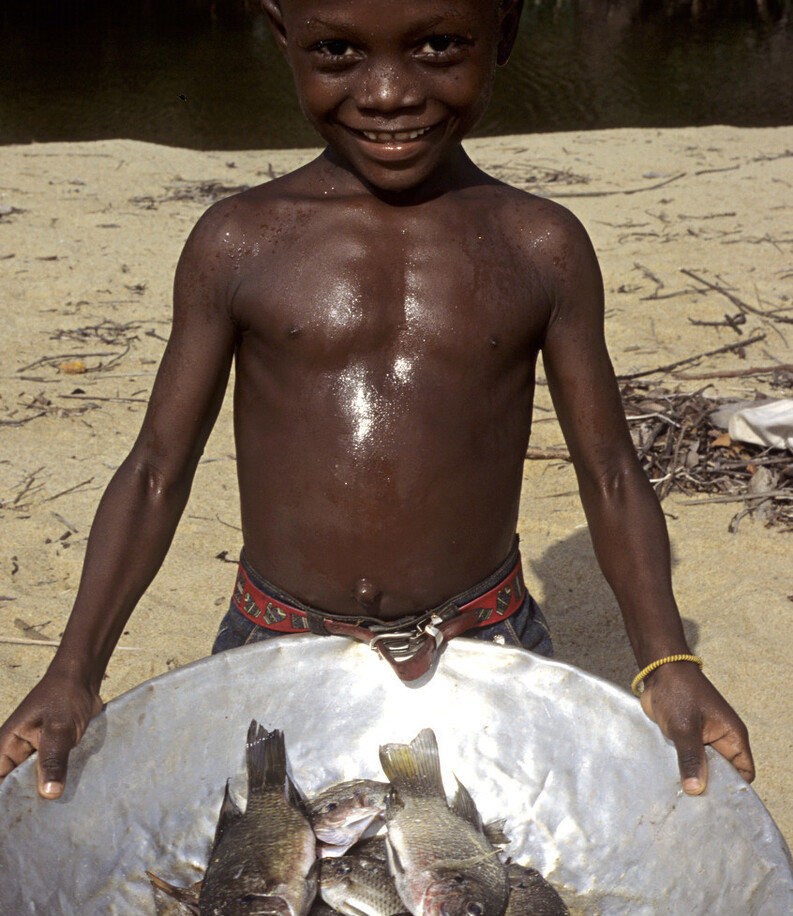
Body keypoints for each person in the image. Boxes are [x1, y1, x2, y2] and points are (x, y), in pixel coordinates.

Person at [0, 0, 753, 800]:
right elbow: (155, 471)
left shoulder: (539, 245)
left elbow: (608, 473)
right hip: (275, 637)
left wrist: (668, 662)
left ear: (504, 31)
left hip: (483, 634)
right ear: (281, 35)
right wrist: (72, 670)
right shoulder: (240, 239)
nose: (388, 92)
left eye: (438, 46)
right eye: (337, 51)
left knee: (511, 878)